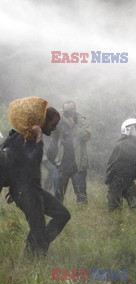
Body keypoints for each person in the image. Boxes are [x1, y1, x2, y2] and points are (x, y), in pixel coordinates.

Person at [4, 107, 71, 257]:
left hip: (32, 190)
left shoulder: (27, 136)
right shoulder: (23, 137)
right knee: (38, 227)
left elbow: (22, 165)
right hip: (25, 191)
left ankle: (37, 247)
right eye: (52, 125)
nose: (53, 129)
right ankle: (33, 258)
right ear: (42, 121)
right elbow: (32, 160)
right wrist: (39, 138)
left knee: (62, 214)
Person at [47, 101, 90, 204]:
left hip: (77, 163)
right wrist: (55, 120)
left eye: (71, 110)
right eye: (66, 110)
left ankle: (83, 217)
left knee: (81, 196)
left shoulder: (81, 120)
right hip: (61, 162)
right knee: (57, 195)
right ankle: (58, 214)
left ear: (75, 109)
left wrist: (73, 126)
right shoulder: (59, 120)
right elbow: (50, 133)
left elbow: (86, 136)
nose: (68, 112)